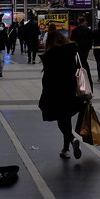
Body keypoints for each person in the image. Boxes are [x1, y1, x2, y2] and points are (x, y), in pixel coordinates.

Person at [38, 26, 87, 159]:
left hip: (54, 92)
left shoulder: (50, 55)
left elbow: (47, 78)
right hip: (71, 90)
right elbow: (83, 70)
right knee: (66, 118)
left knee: (62, 120)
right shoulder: (73, 52)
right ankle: (66, 148)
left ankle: (72, 140)